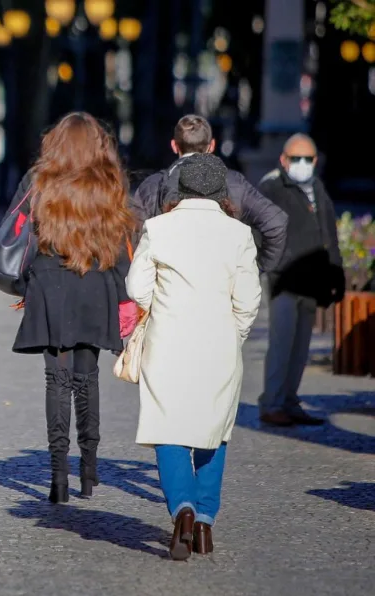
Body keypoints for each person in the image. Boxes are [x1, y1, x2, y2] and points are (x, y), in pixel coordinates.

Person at [126, 153, 262, 561]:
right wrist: (234, 333)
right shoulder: (238, 235)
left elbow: (136, 287)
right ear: (222, 193)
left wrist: (161, 306)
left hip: (168, 343)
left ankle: (181, 508)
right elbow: (249, 300)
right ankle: (204, 520)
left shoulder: (158, 227)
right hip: (219, 345)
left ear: (179, 189)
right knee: (213, 430)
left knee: (168, 429)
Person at [10, 112, 138, 504]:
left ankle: (57, 476)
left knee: (57, 380)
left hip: (50, 285)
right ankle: (88, 468)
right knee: (88, 376)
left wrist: (25, 286)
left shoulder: (39, 182)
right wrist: (125, 298)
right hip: (96, 284)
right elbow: (121, 245)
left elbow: (19, 237)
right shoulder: (110, 184)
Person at [257, 134, 343, 427]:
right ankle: (272, 403)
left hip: (312, 281)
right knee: (281, 345)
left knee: (300, 348)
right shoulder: (271, 187)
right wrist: (272, 265)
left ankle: (290, 401)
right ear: (284, 159)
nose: (303, 164)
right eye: (297, 159)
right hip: (284, 281)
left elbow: (328, 232)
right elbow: (260, 232)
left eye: (308, 159)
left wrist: (336, 272)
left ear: (316, 161)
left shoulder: (316, 187)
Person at [130, 114, 287, 273]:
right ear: (211, 145)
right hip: (223, 286)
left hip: (168, 288)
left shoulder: (151, 186)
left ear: (174, 145)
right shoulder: (234, 182)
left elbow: (135, 239)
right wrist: (256, 268)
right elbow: (276, 222)